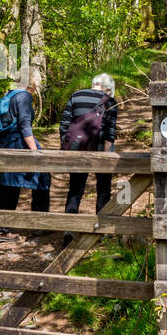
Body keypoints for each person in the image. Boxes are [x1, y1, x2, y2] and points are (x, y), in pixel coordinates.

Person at [0, 69, 51, 240]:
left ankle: (0, 229)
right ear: (32, 81)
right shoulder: (24, 96)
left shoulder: (10, 94)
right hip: (18, 143)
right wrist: (34, 151)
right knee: (42, 178)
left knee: (9, 186)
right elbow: (24, 124)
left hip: (4, 143)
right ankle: (38, 224)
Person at [60, 73, 118, 230]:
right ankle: (103, 227)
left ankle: (69, 228)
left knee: (75, 188)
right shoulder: (110, 101)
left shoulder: (76, 96)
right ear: (108, 88)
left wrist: (66, 148)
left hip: (77, 149)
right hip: (99, 148)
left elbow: (65, 123)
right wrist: (106, 156)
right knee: (103, 188)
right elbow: (109, 132)